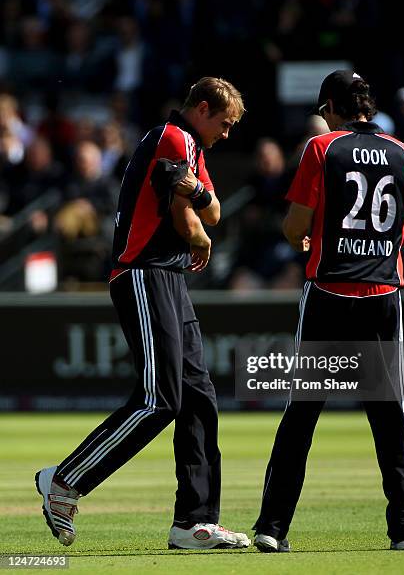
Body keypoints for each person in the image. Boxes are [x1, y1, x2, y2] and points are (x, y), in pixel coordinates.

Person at [35, 77, 251, 551]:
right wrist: (197, 227)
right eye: (226, 123)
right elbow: (188, 212)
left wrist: (198, 210)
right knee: (161, 399)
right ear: (201, 108)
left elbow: (210, 210)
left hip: (169, 277)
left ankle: (193, 522)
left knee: (198, 397)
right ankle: (65, 480)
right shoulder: (172, 137)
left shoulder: (191, 145)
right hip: (143, 271)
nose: (228, 134)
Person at [252, 70, 404, 553]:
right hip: (382, 293)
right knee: (391, 415)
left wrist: (307, 237)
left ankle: (272, 527)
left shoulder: (321, 148)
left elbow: (295, 226)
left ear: (331, 107)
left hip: (329, 291)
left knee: (302, 414)